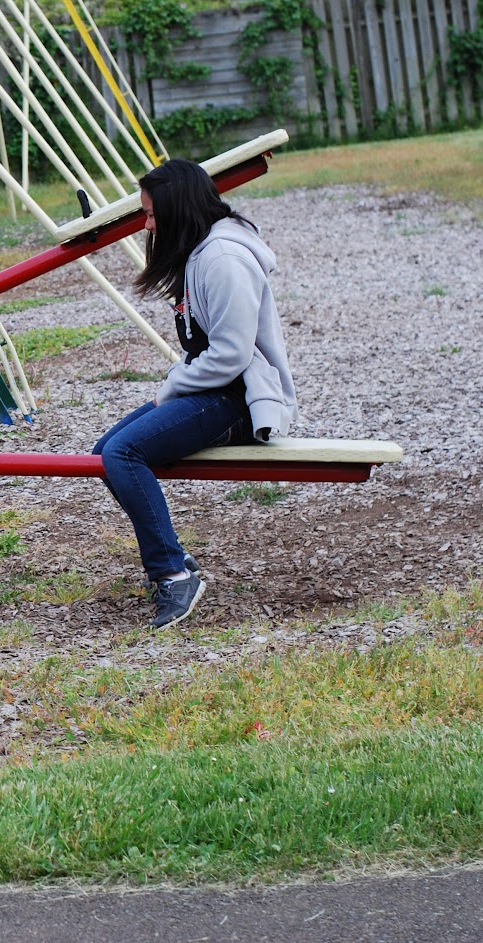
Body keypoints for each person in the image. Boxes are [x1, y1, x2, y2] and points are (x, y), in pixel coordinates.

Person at [92, 158, 296, 629]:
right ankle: (174, 561)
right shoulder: (200, 251)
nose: (147, 224)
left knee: (124, 453)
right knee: (106, 452)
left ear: (178, 209)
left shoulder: (223, 260)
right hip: (215, 390)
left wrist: (172, 386)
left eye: (151, 214)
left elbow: (230, 354)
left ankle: (172, 573)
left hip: (240, 398)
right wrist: (176, 386)